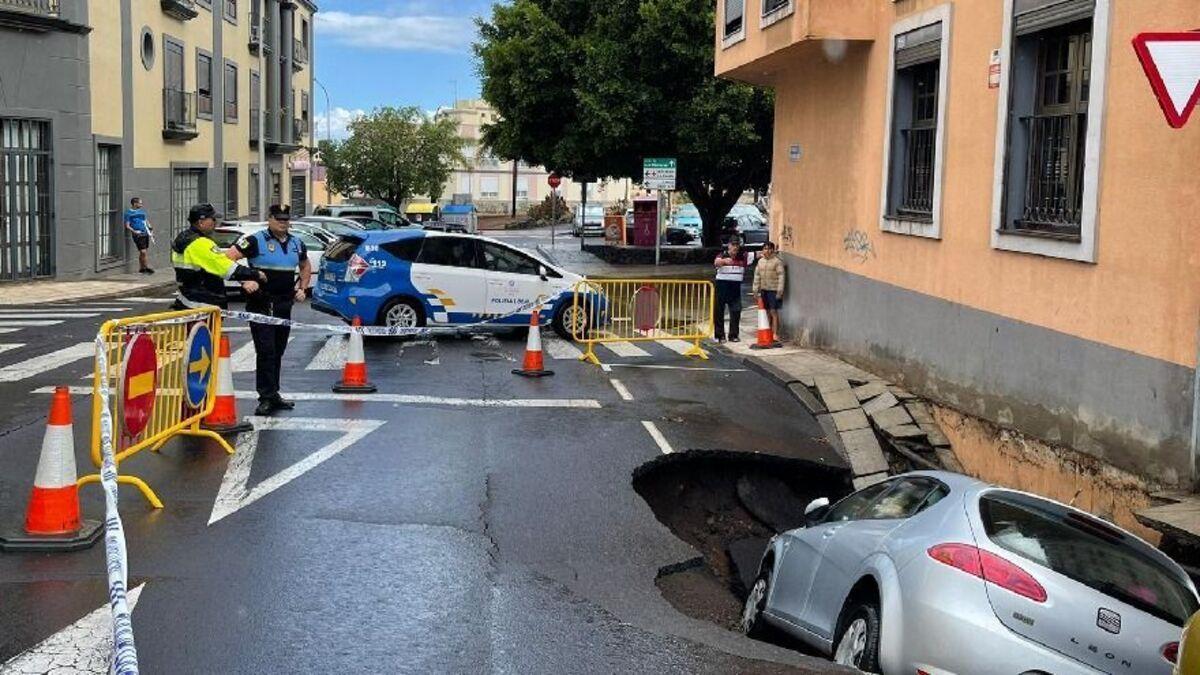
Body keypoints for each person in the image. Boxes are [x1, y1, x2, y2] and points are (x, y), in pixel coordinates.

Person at [228, 204, 311, 416]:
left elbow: (305, 265)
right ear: (270, 219)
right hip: (261, 303)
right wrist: (245, 279)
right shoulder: (255, 240)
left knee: (278, 350)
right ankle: (265, 396)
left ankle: (274, 393)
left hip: (284, 304)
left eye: (286, 219)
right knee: (266, 351)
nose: (283, 223)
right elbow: (228, 258)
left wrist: (302, 288)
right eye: (279, 219)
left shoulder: (296, 243)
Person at [171, 203, 262, 309]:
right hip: (205, 305)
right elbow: (226, 268)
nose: (215, 223)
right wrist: (254, 274)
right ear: (201, 222)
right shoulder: (200, 243)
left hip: (188, 301)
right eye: (213, 219)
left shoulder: (184, 239)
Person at [713, 236, 753, 342]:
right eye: (733, 245)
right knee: (719, 311)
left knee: (736, 310)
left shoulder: (743, 256)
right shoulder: (723, 254)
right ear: (729, 245)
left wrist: (770, 251)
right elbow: (716, 262)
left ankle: (733, 335)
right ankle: (719, 336)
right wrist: (724, 261)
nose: (735, 247)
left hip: (735, 287)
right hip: (722, 286)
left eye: (737, 245)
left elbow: (757, 254)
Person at [751, 241, 785, 341]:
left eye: (770, 248)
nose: (767, 251)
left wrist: (780, 291)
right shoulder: (760, 261)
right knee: (766, 312)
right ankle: (768, 331)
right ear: (763, 250)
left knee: (773, 311)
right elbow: (757, 276)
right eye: (765, 248)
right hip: (764, 290)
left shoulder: (777, 262)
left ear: (773, 250)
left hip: (774, 290)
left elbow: (781, 276)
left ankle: (775, 334)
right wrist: (755, 290)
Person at [124, 197, 154, 274]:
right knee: (143, 251)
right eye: (140, 203)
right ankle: (146, 267)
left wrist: (150, 229)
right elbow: (127, 226)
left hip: (145, 233)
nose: (141, 205)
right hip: (138, 235)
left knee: (143, 252)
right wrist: (134, 231)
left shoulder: (142, 212)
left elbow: (146, 221)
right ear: (135, 204)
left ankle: (141, 268)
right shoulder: (128, 213)